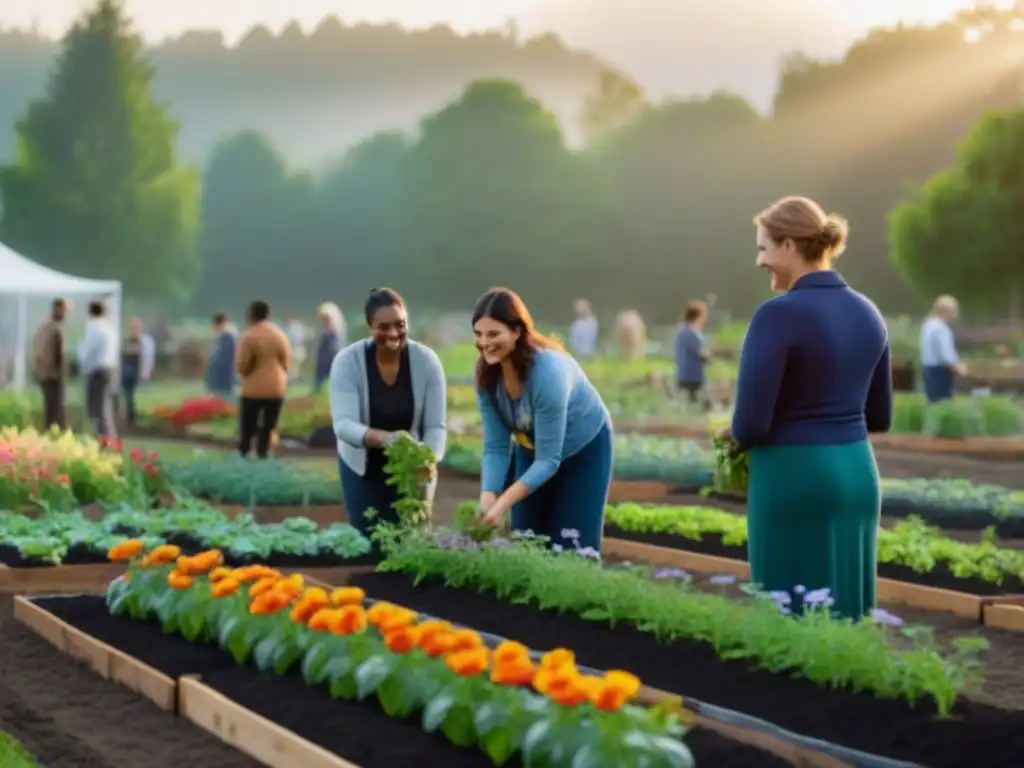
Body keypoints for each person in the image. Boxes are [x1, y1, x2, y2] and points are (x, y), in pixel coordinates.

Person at [728, 196, 891, 620]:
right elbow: (879, 416)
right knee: (849, 616)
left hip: (795, 478)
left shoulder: (778, 315)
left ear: (788, 246)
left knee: (791, 620)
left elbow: (750, 426)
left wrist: (729, 434)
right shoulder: (868, 312)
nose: (759, 260)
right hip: (858, 475)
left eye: (763, 248)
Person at [474, 287, 613, 553]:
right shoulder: (487, 376)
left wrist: (501, 506)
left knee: (573, 546)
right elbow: (496, 447)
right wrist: (488, 496)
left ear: (516, 332)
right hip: (533, 448)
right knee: (527, 541)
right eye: (478, 334)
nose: (484, 343)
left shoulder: (547, 373)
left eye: (493, 334)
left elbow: (549, 460)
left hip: (583, 450)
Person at [328, 288, 447, 538]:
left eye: (400, 325)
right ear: (369, 326)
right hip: (362, 467)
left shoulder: (426, 361)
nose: (393, 333)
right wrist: (387, 439)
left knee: (412, 539)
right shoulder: (348, 362)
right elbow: (344, 425)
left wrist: (428, 460)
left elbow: (436, 426)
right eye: (383, 327)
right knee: (367, 540)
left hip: (411, 469)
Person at [236, 300, 290, 458]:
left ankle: (244, 455)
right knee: (268, 427)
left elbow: (242, 364)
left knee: (248, 428)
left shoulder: (248, 336)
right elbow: (286, 361)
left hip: (253, 390)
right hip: (276, 388)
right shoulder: (279, 334)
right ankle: (263, 455)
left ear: (251, 315)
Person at [78, 300, 118, 439]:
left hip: (96, 371)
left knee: (96, 408)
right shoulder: (109, 329)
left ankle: (103, 436)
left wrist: (81, 363)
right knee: (104, 405)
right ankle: (106, 435)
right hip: (108, 369)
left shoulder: (94, 328)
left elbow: (87, 352)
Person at [920, 295, 966, 403]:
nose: (955, 315)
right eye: (954, 311)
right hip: (940, 371)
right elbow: (945, 354)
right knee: (942, 404)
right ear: (948, 312)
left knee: (931, 403)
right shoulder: (941, 328)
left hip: (928, 369)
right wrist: (958, 368)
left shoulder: (928, 325)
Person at [31, 298, 69, 430]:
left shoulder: (44, 326)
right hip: (53, 375)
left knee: (50, 410)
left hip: (45, 374)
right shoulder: (55, 328)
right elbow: (60, 354)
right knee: (57, 411)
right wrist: (62, 371)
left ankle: (50, 435)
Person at [120, 317, 155, 427]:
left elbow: (148, 358)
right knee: (129, 397)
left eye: (136, 327)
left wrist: (146, 371)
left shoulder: (145, 342)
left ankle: (137, 418)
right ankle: (130, 418)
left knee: (139, 398)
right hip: (127, 376)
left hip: (138, 374)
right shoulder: (126, 342)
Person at [675, 300, 711, 406]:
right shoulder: (695, 334)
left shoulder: (680, 332)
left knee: (687, 405)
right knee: (700, 405)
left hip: (681, 376)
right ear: (698, 316)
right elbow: (702, 354)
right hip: (694, 378)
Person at [314, 302, 346, 392]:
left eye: (325, 319)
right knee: (318, 385)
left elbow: (335, 349)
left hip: (332, 360)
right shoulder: (323, 333)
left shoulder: (334, 334)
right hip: (322, 362)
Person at [206, 313, 236, 400]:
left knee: (226, 399)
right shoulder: (220, 338)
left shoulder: (228, 338)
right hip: (218, 376)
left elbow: (225, 359)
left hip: (223, 376)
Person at [285, 315, 308, 383]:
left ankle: (294, 380)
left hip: (297, 350)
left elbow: (297, 340)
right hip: (292, 350)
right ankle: (292, 380)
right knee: (293, 367)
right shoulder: (288, 328)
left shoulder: (297, 328)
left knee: (296, 367)